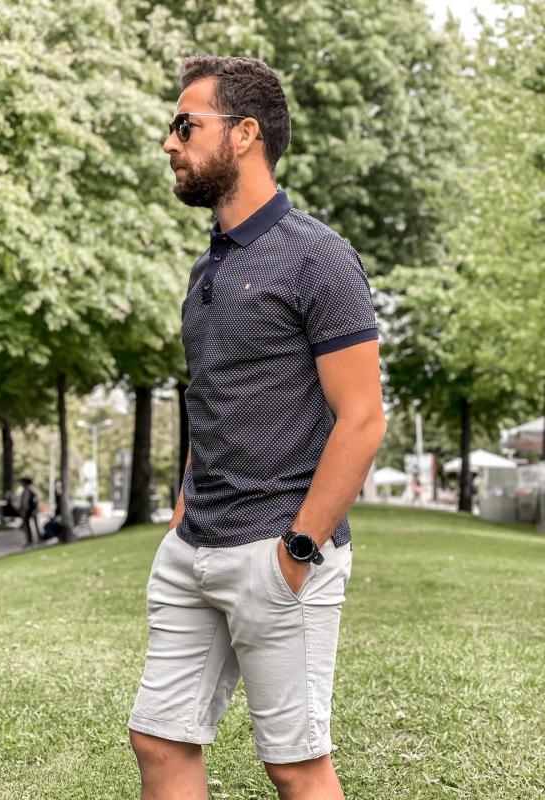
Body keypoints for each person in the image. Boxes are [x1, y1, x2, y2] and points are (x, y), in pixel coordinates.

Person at [128, 55, 387, 800]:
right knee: (160, 741)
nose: (170, 142)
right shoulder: (207, 270)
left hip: (276, 547)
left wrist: (299, 550)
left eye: (185, 125)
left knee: (295, 768)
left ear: (244, 134)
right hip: (194, 548)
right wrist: (182, 512)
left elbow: (362, 418)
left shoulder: (318, 258)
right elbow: (212, 399)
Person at [19, 477, 41, 547]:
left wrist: (24, 510)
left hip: (29, 510)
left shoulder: (28, 489)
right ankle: (38, 539)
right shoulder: (33, 489)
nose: (21, 484)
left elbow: (25, 502)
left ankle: (30, 541)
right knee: (35, 525)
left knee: (28, 526)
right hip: (32, 510)